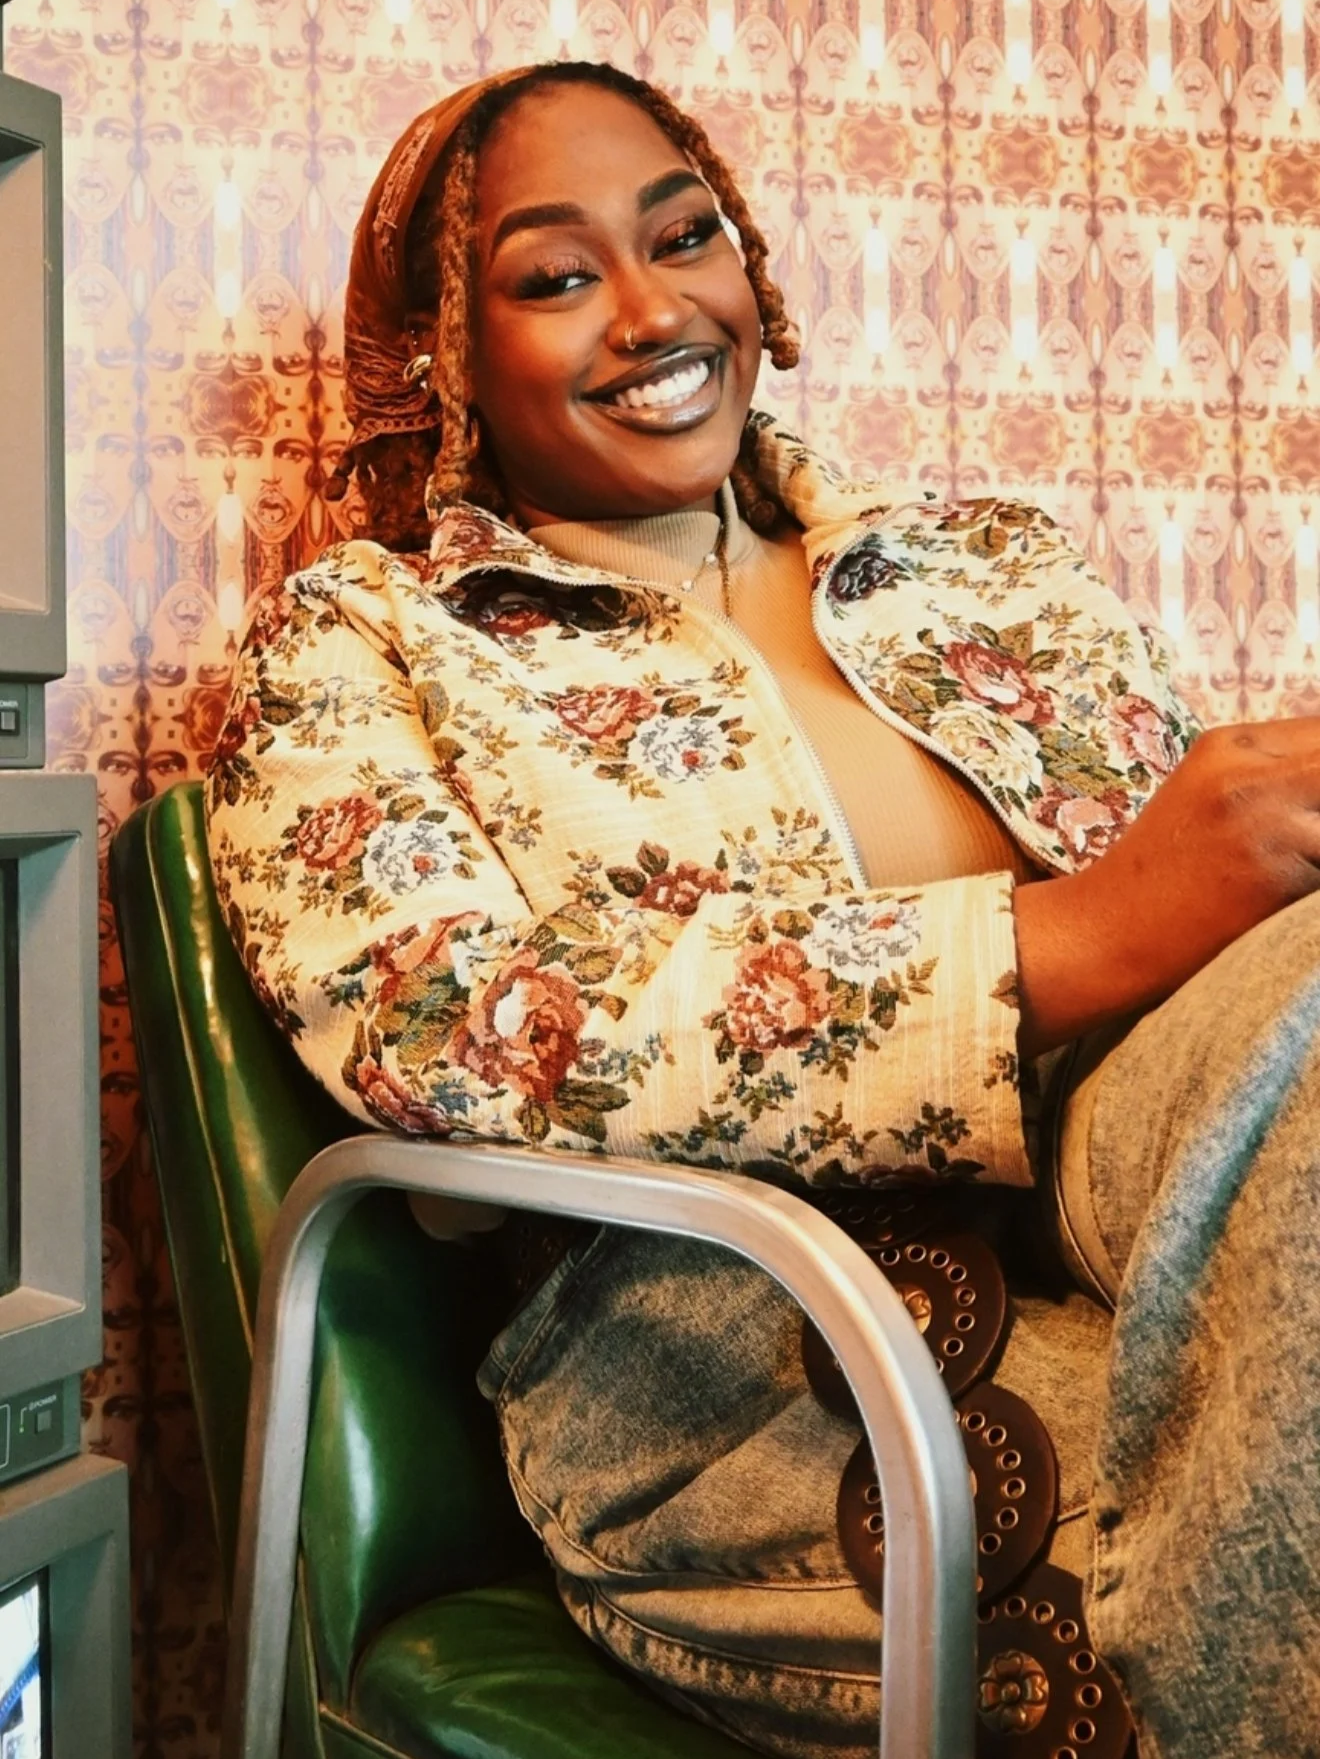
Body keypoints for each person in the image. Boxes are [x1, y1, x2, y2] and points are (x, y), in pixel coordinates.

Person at [205, 59, 1320, 1759]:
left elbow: (1232, 949)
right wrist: (1072, 936)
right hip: (749, 1354)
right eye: (556, 274)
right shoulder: (368, 647)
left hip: (1153, 1183)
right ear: (448, 354)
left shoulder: (979, 564)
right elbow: (455, 1033)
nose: (655, 311)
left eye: (685, 236)